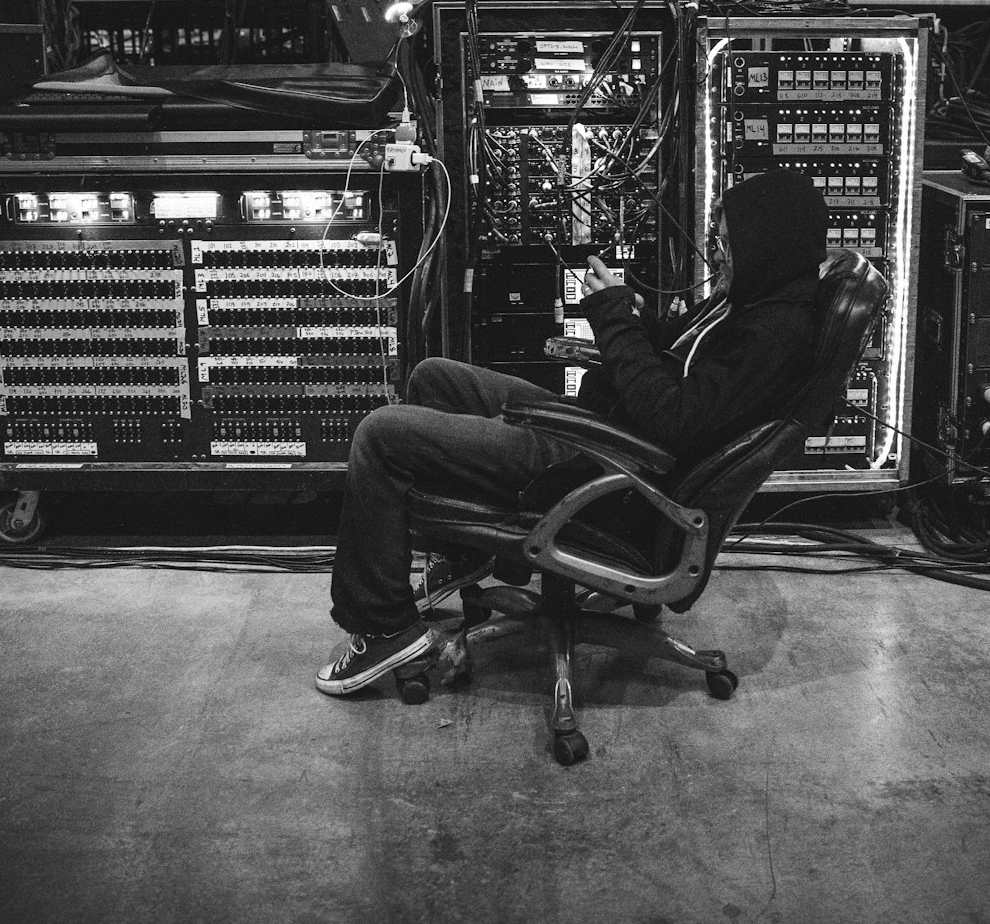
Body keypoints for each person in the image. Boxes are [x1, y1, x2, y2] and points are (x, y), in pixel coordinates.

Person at [316, 168, 832, 695]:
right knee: (434, 377)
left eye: (725, 242)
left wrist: (612, 320)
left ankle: (382, 627)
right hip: (601, 432)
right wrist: (631, 314)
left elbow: (672, 419)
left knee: (379, 435)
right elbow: (676, 364)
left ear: (767, 241)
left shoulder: (771, 335)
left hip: (596, 463)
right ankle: (464, 554)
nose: (716, 254)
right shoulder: (753, 302)